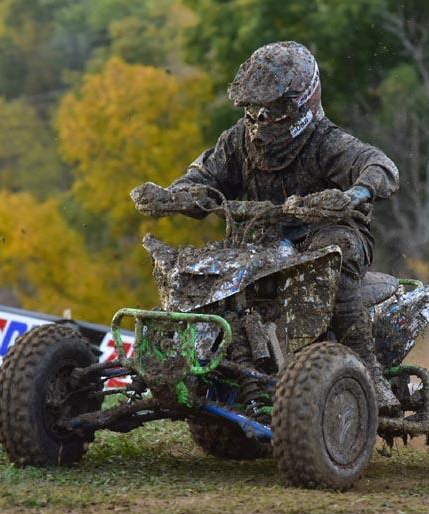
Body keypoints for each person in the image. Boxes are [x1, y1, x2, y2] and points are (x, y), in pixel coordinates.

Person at [136, 41, 400, 413]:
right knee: (202, 275)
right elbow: (203, 176)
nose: (262, 117)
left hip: (327, 237)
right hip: (259, 243)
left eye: (274, 109)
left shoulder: (328, 142)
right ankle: (204, 365)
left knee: (332, 260)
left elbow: (381, 166)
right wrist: (174, 196)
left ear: (302, 103)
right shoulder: (236, 141)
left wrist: (354, 194)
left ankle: (369, 372)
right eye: (254, 108)